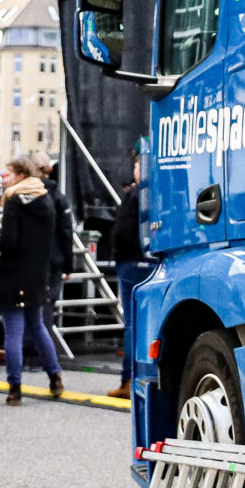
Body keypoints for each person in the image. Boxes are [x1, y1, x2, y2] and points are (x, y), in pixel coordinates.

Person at [0, 156, 68, 403]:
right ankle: (55, 377)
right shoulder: (46, 199)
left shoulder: (14, 202)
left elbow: (10, 243)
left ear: (21, 176)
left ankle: (15, 387)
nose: (4, 178)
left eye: (8, 174)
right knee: (38, 326)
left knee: (13, 331)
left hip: (14, 274)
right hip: (38, 274)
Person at [112, 148, 149, 396]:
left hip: (132, 262)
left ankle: (128, 381)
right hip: (155, 262)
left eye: (136, 166)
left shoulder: (135, 194)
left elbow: (123, 232)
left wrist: (118, 257)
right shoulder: (163, 192)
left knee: (132, 325)